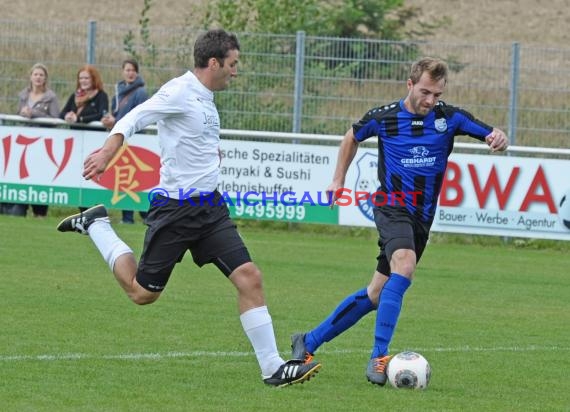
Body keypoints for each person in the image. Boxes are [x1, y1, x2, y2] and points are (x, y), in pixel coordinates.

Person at [56, 29, 321, 387]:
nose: (235, 71)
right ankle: (97, 225)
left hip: (210, 210)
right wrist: (107, 153)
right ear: (214, 63)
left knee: (250, 277)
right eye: (233, 64)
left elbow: (194, 141)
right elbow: (133, 118)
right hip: (176, 211)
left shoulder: (207, 97)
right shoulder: (178, 91)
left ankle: (272, 367)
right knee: (142, 293)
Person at [290, 57, 508, 386]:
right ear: (409, 85)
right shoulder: (385, 117)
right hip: (391, 206)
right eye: (424, 92)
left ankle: (308, 341)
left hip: (422, 219)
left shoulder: (450, 118)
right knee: (404, 265)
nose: (430, 100)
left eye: (436, 94)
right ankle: (380, 356)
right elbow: (351, 136)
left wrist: (498, 138)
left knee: (377, 293)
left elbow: (492, 133)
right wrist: (338, 180)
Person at [1, 63, 60, 217]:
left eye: (41, 75)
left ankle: (40, 212)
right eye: (35, 74)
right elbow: (18, 115)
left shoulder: (51, 97)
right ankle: (20, 207)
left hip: (42, 143)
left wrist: (34, 113)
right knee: (23, 174)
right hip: (23, 143)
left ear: (45, 78)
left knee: (40, 175)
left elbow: (55, 119)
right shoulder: (23, 95)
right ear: (30, 76)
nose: (38, 77)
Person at [101, 58, 149, 224]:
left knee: (137, 180)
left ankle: (145, 216)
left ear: (137, 73)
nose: (130, 73)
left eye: (133, 70)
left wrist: (116, 123)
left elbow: (139, 118)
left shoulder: (141, 93)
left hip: (135, 140)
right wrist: (110, 120)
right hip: (122, 140)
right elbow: (117, 114)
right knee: (124, 179)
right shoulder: (118, 91)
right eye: (127, 70)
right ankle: (128, 217)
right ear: (123, 71)